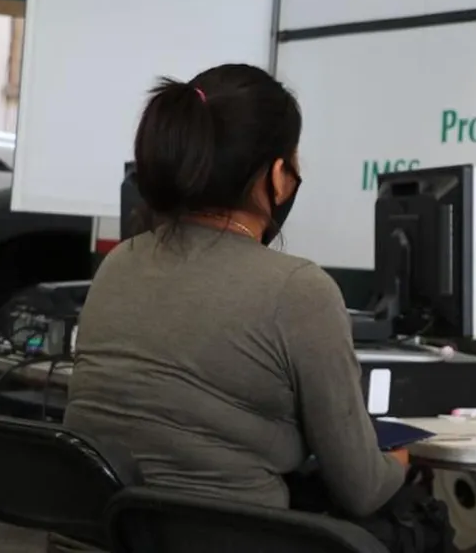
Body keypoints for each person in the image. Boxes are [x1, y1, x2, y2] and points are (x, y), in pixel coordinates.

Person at [64, 65, 407, 526]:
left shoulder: (118, 263)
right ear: (277, 176)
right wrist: (401, 461)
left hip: (112, 528)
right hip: (231, 535)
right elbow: (361, 488)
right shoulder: (299, 290)